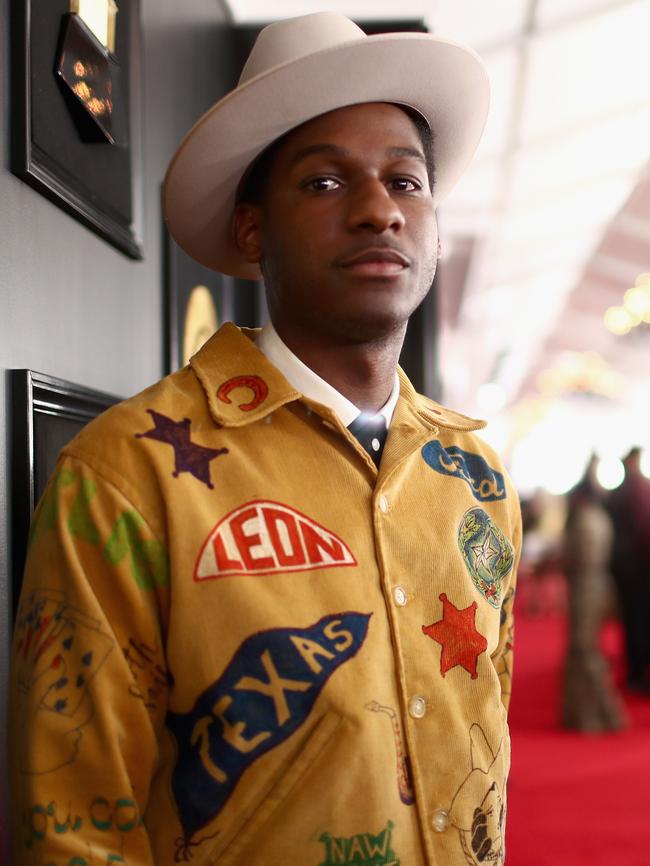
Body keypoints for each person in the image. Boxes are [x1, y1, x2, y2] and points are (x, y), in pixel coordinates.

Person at [10, 13, 521, 866]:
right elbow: (73, 829)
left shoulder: (476, 476)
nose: (377, 212)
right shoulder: (126, 473)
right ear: (251, 230)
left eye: (406, 182)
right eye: (324, 183)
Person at [561, 464, 625, 731]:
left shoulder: (584, 520)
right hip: (599, 583)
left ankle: (602, 714)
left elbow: (576, 558)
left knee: (584, 652)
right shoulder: (600, 517)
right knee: (587, 651)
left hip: (585, 587)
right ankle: (592, 715)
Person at [607, 447, 650, 692]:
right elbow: (644, 531)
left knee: (632, 620)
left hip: (625, 568)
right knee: (639, 620)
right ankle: (638, 672)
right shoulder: (637, 488)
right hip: (637, 569)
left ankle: (635, 669)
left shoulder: (621, 490)